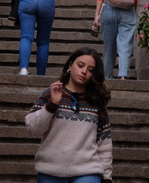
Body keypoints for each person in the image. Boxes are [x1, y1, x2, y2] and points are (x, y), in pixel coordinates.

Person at [24, 47, 113, 183]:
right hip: (50, 170)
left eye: (90, 70)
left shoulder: (96, 101)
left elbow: (104, 143)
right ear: (70, 65)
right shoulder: (50, 93)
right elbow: (32, 128)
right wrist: (51, 106)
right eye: (80, 65)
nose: (84, 72)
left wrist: (106, 177)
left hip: (87, 171)